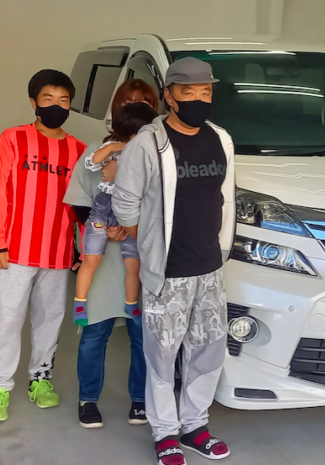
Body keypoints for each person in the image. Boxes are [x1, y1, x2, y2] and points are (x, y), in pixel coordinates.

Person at [113, 58, 235, 464]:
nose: (199, 99)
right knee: (162, 356)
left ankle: (195, 426)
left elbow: (225, 197)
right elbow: (125, 205)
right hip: (168, 273)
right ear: (169, 95)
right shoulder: (148, 144)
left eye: (206, 92)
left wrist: (219, 247)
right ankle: (165, 432)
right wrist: (152, 248)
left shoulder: (220, 139)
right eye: (189, 92)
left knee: (207, 351)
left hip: (210, 268)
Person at [0, 69, 86, 422]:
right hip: (14, 252)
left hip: (57, 253)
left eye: (63, 100)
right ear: (33, 103)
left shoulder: (78, 150)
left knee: (49, 320)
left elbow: (83, 205)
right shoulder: (12, 139)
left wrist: (83, 250)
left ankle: (40, 379)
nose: (56, 106)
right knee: (7, 320)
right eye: (48, 99)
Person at [63, 80, 159, 429]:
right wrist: (105, 227)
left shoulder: (161, 153)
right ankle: (88, 399)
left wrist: (132, 226)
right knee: (94, 333)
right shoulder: (97, 151)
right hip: (103, 256)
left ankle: (140, 399)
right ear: (117, 109)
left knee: (142, 335)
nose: (136, 107)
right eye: (129, 102)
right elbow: (78, 202)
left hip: (143, 255)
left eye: (144, 102)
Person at [72, 103, 159, 328]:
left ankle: (131, 304)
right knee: (92, 258)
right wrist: (113, 148)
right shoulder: (111, 147)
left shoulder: (150, 154)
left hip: (131, 213)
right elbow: (91, 163)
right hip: (103, 211)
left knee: (134, 264)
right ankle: (80, 302)